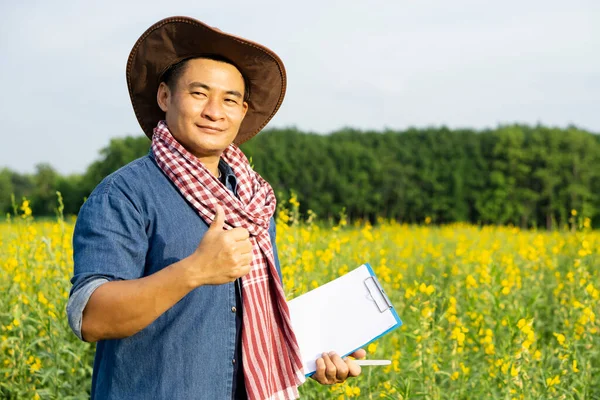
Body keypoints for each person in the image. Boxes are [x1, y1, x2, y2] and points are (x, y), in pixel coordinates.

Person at [67, 16, 365, 400]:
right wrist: (194, 271)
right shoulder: (124, 194)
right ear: (164, 97)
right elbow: (91, 316)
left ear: (242, 111)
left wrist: (315, 353)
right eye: (198, 93)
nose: (214, 111)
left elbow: (248, 324)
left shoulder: (253, 200)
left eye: (228, 100)